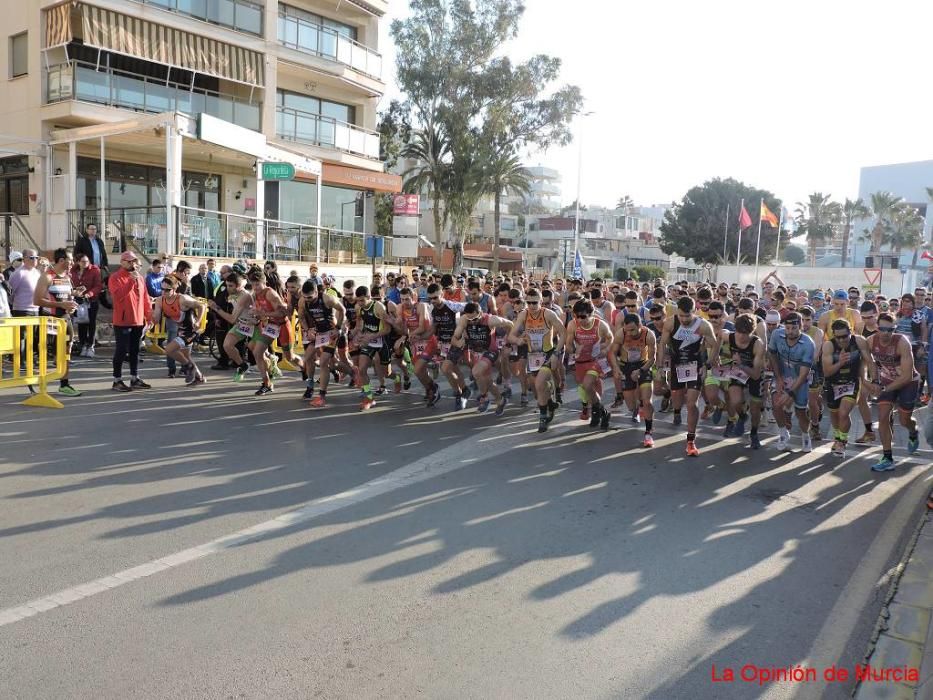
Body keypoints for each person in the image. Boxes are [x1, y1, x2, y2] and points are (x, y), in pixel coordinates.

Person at [657, 296, 720, 455]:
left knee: (692, 403)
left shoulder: (703, 325)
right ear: (677, 312)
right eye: (681, 315)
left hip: (695, 364)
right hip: (676, 363)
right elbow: (662, 345)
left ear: (695, 312)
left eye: (688, 316)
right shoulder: (670, 323)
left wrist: (708, 364)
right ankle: (677, 411)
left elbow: (714, 346)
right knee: (677, 395)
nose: (684, 319)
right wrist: (659, 367)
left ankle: (691, 440)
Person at [868, 312, 922, 472]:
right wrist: (874, 381)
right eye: (882, 329)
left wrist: (883, 388)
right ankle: (887, 457)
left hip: (908, 383)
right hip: (887, 380)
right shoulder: (871, 341)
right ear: (877, 328)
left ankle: (913, 431)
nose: (886, 333)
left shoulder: (902, 342)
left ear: (895, 329)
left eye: (890, 330)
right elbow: (867, 363)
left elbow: (906, 376)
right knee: (883, 417)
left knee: (904, 420)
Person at [507, 288, 566, 432]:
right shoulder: (523, 314)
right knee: (536, 387)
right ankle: (550, 403)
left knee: (540, 383)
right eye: (529, 303)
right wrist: (519, 340)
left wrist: (556, 353)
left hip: (548, 353)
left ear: (541, 302)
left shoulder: (549, 314)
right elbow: (511, 336)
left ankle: (543, 417)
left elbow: (564, 333)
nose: (532, 306)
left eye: (535, 303)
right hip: (533, 355)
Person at [821, 319, 876, 457]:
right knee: (834, 414)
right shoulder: (828, 346)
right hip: (833, 383)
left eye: (844, 336)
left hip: (852, 382)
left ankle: (842, 441)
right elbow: (826, 372)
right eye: (838, 337)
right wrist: (840, 362)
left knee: (844, 413)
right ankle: (837, 438)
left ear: (850, 332)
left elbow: (870, 361)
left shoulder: (859, 341)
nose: (841, 340)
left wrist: (874, 381)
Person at [33, 248, 81, 396]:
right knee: (46, 354)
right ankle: (41, 386)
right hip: (50, 321)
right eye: (70, 260)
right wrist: (61, 305)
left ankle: (64, 384)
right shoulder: (47, 277)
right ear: (61, 261)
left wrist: (72, 302)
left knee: (67, 351)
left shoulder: (67, 277)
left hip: (65, 320)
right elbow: (37, 300)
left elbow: (66, 298)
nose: (73, 262)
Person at [450, 302, 512, 415]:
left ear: (481, 313)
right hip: (476, 352)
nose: (472, 322)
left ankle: (484, 398)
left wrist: (508, 342)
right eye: (470, 320)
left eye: (475, 319)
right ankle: (500, 400)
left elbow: (510, 324)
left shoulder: (491, 320)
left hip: (490, 352)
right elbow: (454, 338)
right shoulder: (464, 319)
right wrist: (459, 343)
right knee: (486, 380)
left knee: (476, 372)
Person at [768, 312, 816, 452]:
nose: (790, 332)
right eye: (787, 328)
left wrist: (790, 392)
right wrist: (778, 378)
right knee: (776, 404)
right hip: (783, 374)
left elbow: (804, 373)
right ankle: (783, 433)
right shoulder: (777, 334)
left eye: (794, 328)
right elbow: (772, 354)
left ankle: (805, 435)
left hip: (800, 378)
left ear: (801, 326)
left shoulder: (808, 343)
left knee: (801, 412)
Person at [149, 276, 207, 389]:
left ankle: (189, 367)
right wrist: (151, 320)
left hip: (191, 330)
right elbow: (156, 316)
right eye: (162, 289)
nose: (164, 292)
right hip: (181, 330)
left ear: (174, 288)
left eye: (167, 290)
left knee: (169, 350)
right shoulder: (160, 300)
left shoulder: (182, 299)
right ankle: (199, 377)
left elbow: (202, 306)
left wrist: (199, 321)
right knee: (186, 355)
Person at [609, 313, 657, 446]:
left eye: (632, 330)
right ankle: (636, 408)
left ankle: (648, 433)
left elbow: (653, 358)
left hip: (643, 365)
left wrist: (641, 370)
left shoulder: (649, 335)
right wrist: (617, 368)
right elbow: (612, 353)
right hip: (626, 366)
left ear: (640, 326)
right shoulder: (621, 334)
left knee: (647, 401)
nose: (629, 333)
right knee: (630, 406)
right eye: (627, 330)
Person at [108, 250, 152, 391]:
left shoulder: (139, 277)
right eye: (128, 261)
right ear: (122, 262)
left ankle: (134, 378)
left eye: (133, 261)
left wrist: (149, 316)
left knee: (135, 350)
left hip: (138, 320)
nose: (131, 264)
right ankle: (117, 380)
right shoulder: (115, 277)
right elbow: (118, 296)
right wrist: (130, 282)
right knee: (121, 350)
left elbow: (145, 298)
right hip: (122, 320)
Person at [70, 252, 102, 358]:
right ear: (78, 262)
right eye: (83, 262)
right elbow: (70, 284)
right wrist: (75, 291)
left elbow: (98, 286)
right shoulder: (73, 270)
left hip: (91, 301)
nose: (86, 263)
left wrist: (89, 294)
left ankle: (91, 346)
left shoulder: (95, 270)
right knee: (81, 323)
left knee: (91, 324)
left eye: (87, 261)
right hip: (78, 301)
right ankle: (83, 345)